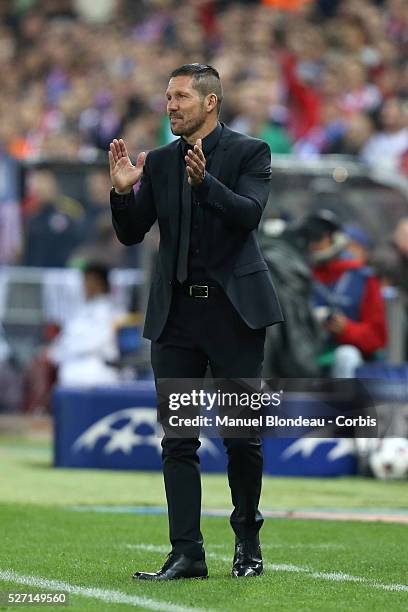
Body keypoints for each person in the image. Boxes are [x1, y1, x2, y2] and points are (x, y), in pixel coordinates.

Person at [109, 63, 283, 581]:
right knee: (178, 439)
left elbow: (250, 213)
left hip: (234, 314)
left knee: (241, 437)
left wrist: (206, 184)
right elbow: (132, 235)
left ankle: (247, 541)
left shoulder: (252, 153)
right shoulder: (160, 161)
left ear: (210, 102)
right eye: (167, 97)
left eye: (181, 96)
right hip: (177, 315)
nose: (170, 105)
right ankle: (187, 553)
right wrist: (122, 194)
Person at [300, 210, 386, 378]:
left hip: (345, 354)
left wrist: (346, 329)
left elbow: (377, 338)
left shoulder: (362, 277)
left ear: (334, 238)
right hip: (305, 352)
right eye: (310, 237)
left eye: (320, 237)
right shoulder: (300, 275)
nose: (315, 244)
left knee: (347, 356)